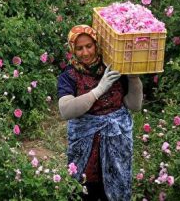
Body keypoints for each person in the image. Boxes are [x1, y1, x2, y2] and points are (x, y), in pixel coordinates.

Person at [57, 25, 143, 201]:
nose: (85, 52)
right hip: (86, 144)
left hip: (116, 141)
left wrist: (134, 77)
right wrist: (98, 90)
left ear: (97, 44)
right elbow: (65, 110)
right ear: (72, 49)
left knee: (114, 189)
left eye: (89, 46)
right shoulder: (69, 75)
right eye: (79, 48)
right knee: (84, 187)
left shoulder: (113, 68)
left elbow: (134, 105)